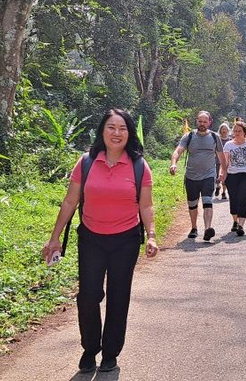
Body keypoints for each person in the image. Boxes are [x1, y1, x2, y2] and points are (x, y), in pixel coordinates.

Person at [42, 109, 159, 374]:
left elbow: (147, 205)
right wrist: (54, 238)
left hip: (126, 240)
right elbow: (70, 201)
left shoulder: (139, 166)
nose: (117, 133)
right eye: (111, 127)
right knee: (88, 296)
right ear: (102, 131)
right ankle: (90, 348)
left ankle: (110, 353)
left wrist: (151, 235)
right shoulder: (86, 162)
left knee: (119, 296)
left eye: (122, 128)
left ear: (129, 133)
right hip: (91, 238)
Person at [170, 111, 226, 241]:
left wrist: (223, 172)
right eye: (200, 121)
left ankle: (207, 229)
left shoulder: (214, 136)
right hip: (191, 175)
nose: (202, 124)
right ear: (196, 121)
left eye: (205, 122)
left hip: (209, 175)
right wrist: (173, 164)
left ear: (209, 122)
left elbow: (222, 157)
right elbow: (178, 151)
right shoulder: (188, 136)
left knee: (207, 201)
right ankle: (194, 227)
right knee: (192, 203)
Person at [214, 122, 231, 200]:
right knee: (218, 176)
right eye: (222, 129)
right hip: (218, 161)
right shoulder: (217, 139)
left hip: (227, 162)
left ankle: (224, 192)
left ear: (227, 130)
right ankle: (218, 186)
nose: (224, 131)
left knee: (226, 178)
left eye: (225, 129)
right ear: (220, 130)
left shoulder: (230, 140)